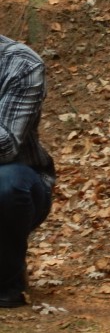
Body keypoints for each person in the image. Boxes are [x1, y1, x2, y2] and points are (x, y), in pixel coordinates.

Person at [0, 35, 55, 308]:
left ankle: (6, 278)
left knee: (6, 185)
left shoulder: (21, 63)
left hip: (15, 176)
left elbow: (7, 145)